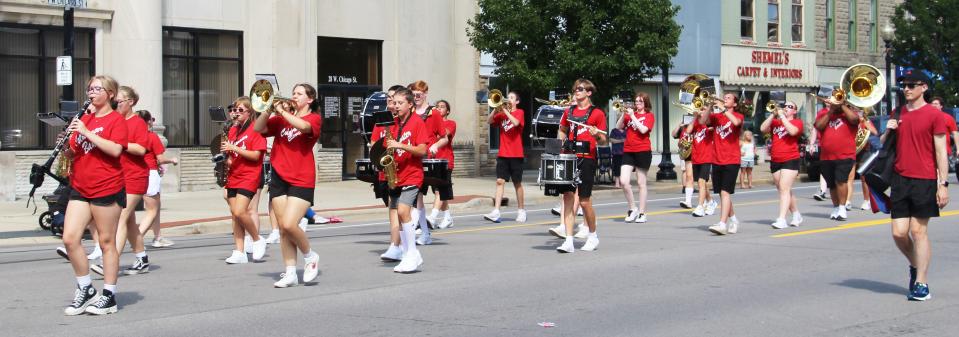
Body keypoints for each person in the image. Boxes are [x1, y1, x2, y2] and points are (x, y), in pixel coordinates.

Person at [880, 71, 949, 301]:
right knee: (899, 233)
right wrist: (888, 129)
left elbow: (941, 151)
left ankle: (921, 282)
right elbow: (882, 144)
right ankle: (914, 264)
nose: (906, 89)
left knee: (918, 231)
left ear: (924, 88)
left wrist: (943, 183)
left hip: (925, 179)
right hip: (900, 179)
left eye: (911, 85)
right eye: (903, 85)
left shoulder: (934, 115)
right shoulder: (898, 112)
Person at [61, 75, 127, 315]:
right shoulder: (84, 119)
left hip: (106, 185)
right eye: (90, 88)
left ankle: (108, 295)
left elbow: (115, 149)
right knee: (70, 238)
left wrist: (87, 132)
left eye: (97, 88)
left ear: (110, 93)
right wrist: (66, 146)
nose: (91, 92)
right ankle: (86, 288)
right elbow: (74, 154)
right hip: (81, 185)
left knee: (106, 241)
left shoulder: (115, 120)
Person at [253, 83, 323, 288]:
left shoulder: (314, 118)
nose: (294, 96)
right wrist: (267, 109)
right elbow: (258, 128)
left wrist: (282, 111)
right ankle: (290, 272)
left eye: (299, 94)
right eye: (293, 93)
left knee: (289, 224)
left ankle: (310, 256)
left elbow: (303, 127)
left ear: (309, 99)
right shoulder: (281, 120)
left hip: (302, 177)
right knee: (283, 230)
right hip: (279, 177)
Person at [555, 79, 607, 253]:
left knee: (584, 201)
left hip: (587, 158)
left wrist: (597, 134)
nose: (576, 91)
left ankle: (593, 236)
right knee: (568, 198)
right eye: (575, 89)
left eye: (580, 89)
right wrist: (561, 142)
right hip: (569, 157)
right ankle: (569, 240)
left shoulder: (597, 113)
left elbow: (603, 140)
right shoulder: (569, 111)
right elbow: (562, 129)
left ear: (589, 92)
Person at [107, 86, 152, 276]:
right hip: (119, 176)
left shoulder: (138, 123)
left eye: (119, 101)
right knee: (130, 222)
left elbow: (141, 149)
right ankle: (141, 258)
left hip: (135, 176)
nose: (116, 105)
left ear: (131, 102)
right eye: (114, 102)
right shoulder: (115, 121)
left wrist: (120, 144)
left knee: (120, 218)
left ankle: (111, 261)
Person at [383, 88, 429, 272]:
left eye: (400, 103)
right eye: (394, 103)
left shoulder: (417, 122)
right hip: (397, 174)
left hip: (413, 174)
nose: (396, 106)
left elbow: (422, 150)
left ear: (410, 104)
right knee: (401, 216)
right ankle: (408, 252)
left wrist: (400, 145)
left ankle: (412, 253)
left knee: (403, 211)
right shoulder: (393, 124)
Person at [222, 97, 268, 264]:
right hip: (234, 175)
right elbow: (233, 155)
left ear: (250, 112)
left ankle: (257, 239)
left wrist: (234, 148)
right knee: (235, 215)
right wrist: (227, 157)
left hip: (249, 176)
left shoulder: (256, 129)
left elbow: (256, 155)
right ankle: (239, 251)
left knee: (241, 211)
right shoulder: (234, 130)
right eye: (234, 110)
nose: (236, 113)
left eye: (240, 110)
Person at [408, 80, 443, 245]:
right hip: (412, 156)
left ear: (425, 94)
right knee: (418, 198)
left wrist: (435, 144)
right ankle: (425, 234)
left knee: (417, 197)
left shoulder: (434, 113)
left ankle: (411, 233)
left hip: (426, 157)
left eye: (419, 94)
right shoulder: (410, 111)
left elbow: (444, 137)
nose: (416, 97)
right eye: (413, 94)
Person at [814, 94, 860, 221]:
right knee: (832, 184)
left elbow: (855, 120)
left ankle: (842, 208)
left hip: (845, 155)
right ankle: (835, 208)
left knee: (841, 181)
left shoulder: (849, 114)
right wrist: (831, 111)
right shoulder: (824, 114)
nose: (835, 100)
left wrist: (842, 105)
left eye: (838, 98)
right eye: (834, 98)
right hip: (826, 156)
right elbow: (818, 126)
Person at [136, 110, 178, 247]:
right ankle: (136, 237)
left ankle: (157, 237)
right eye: (152, 119)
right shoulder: (151, 137)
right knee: (152, 210)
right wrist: (172, 160)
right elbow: (160, 159)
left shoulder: (132, 137)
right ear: (149, 121)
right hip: (150, 174)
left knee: (155, 207)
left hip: (134, 173)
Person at [484, 91, 527, 223]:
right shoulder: (501, 114)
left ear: (517, 102)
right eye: (508, 97)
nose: (509, 99)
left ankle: (521, 211)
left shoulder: (520, 112)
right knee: (499, 181)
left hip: (516, 154)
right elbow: (489, 121)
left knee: (517, 183)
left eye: (512, 97)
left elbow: (515, 123)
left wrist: (505, 111)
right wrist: (495, 109)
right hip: (503, 153)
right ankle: (496, 211)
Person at [759, 101, 804, 229]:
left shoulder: (797, 122)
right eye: (785, 106)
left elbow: (793, 132)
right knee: (784, 189)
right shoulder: (775, 122)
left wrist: (783, 117)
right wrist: (773, 115)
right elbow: (762, 129)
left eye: (790, 107)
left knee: (784, 188)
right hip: (775, 159)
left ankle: (782, 219)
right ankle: (796, 214)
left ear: (794, 111)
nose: (786, 108)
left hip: (790, 158)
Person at [705, 93, 744, 235]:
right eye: (724, 97)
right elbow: (703, 121)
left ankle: (722, 224)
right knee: (723, 194)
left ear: (734, 104)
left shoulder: (738, 116)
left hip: (731, 159)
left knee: (725, 192)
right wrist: (709, 105)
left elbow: (736, 123)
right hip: (716, 159)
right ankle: (733, 219)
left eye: (728, 98)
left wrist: (723, 109)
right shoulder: (716, 117)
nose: (725, 99)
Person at [375, 85, 406, 262]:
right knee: (393, 208)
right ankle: (397, 245)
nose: (392, 104)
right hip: (389, 171)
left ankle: (401, 245)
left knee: (401, 210)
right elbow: (375, 145)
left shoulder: (405, 121)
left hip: (407, 172)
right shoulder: (385, 121)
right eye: (389, 101)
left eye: (395, 101)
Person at [616, 92, 654, 223]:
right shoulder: (630, 114)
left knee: (640, 183)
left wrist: (633, 116)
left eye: (640, 101)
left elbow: (643, 130)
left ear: (645, 103)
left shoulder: (649, 116)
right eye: (636, 101)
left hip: (643, 150)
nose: (637, 103)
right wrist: (623, 114)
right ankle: (633, 208)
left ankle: (642, 213)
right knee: (624, 181)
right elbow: (618, 127)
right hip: (628, 150)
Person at [426, 99, 457, 229]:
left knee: (440, 190)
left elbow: (444, 134)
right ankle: (448, 217)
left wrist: (435, 121)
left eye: (442, 107)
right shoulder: (431, 122)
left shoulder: (451, 123)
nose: (439, 108)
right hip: (433, 159)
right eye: (437, 107)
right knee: (439, 192)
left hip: (445, 161)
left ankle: (432, 217)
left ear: (447, 111)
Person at [685, 106, 717, 217]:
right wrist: (695, 117)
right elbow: (688, 131)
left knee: (701, 182)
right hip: (696, 158)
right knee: (701, 184)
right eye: (701, 109)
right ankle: (711, 202)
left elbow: (711, 128)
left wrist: (704, 116)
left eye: (703, 109)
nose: (701, 111)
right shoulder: (695, 124)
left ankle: (700, 207)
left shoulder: (710, 124)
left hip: (706, 158)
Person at [847, 111, 879, 211]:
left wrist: (864, 122)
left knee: (864, 178)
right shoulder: (849, 118)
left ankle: (866, 200)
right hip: (851, 150)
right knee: (849, 177)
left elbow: (875, 132)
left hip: (864, 151)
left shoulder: (865, 119)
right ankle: (847, 201)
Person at [930, 96, 959, 180]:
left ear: (941, 106)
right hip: (928, 150)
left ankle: (941, 187)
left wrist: (958, 148)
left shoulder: (948, 118)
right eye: (931, 104)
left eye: (936, 104)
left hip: (943, 150)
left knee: (940, 174)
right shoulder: (925, 117)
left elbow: (955, 133)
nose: (933, 105)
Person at [673, 118, 695, 208]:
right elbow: (673, 134)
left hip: (698, 153)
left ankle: (708, 200)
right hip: (686, 153)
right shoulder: (683, 127)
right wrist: (679, 125)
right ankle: (688, 201)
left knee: (701, 180)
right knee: (688, 176)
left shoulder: (697, 124)